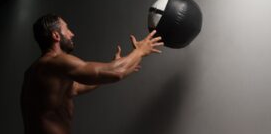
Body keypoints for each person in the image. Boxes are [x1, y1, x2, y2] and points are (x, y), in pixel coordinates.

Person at [20, 13, 164, 134]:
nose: (72, 33)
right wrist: (140, 51)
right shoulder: (56, 62)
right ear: (56, 36)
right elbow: (116, 72)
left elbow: (76, 88)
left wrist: (116, 68)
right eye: (67, 29)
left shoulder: (39, 70)